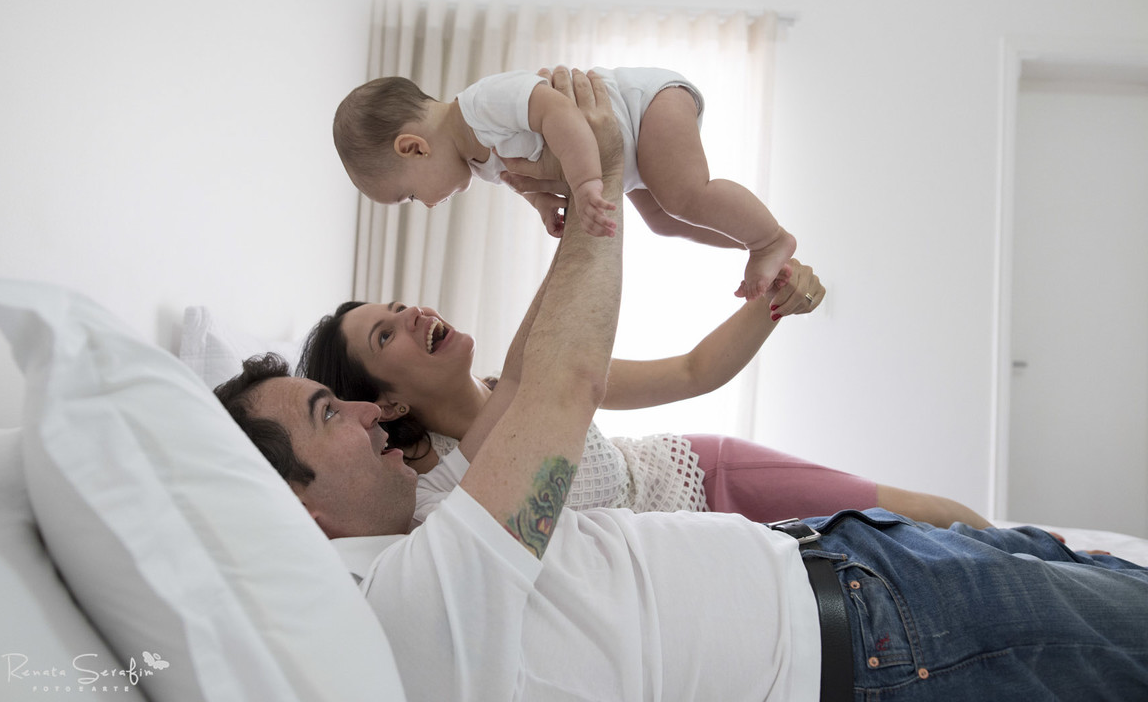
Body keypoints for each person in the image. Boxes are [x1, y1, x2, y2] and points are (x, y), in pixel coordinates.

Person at [218, 69, 1148, 701]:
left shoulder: (422, 543)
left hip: (824, 556)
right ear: (298, 510)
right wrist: (598, 184)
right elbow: (566, 385)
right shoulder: (419, 568)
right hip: (866, 627)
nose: (369, 409)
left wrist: (583, 204)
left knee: (1073, 565)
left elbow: (568, 368)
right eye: (332, 407)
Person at [297, 269, 989, 532]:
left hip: (701, 477)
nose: (415, 313)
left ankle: (1060, 559)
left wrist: (774, 304)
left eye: (398, 305)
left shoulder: (538, 378)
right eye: (386, 333)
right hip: (697, 559)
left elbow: (691, 371)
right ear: (381, 404)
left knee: (930, 519)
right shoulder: (430, 488)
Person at [333, 66, 796, 300]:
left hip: (643, 108)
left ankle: (770, 238)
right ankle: (746, 240)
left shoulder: (482, 104)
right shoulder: (477, 161)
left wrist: (588, 180)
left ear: (413, 148)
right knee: (664, 221)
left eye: (411, 195)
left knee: (684, 195)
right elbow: (521, 179)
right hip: (632, 151)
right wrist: (540, 204)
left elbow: (558, 114)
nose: (428, 205)